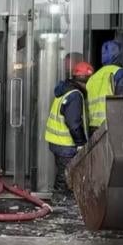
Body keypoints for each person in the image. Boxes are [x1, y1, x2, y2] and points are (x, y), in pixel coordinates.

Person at [44, 61, 93, 201]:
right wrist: (80, 142)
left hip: (56, 141)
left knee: (62, 172)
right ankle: (59, 201)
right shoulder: (75, 95)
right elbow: (74, 123)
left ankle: (60, 199)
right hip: (65, 143)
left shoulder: (66, 90)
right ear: (86, 80)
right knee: (65, 175)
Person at [86, 40, 123, 135]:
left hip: (93, 126)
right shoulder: (119, 73)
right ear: (118, 54)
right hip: (111, 125)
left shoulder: (93, 77)